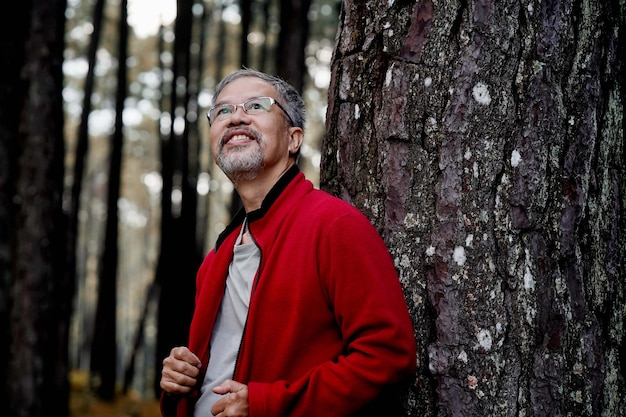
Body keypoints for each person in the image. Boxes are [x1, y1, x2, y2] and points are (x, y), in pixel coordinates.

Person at [159, 68, 416, 417]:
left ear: (294, 138)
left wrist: (268, 405)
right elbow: (218, 369)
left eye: (256, 105)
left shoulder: (333, 226)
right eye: (222, 110)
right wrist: (180, 379)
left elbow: (388, 354)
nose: (236, 116)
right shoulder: (216, 258)